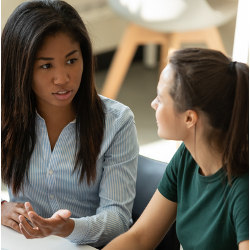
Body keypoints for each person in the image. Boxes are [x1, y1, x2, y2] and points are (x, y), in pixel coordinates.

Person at [1, 0, 139, 247]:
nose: (63, 78)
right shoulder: (6, 114)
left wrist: (68, 228)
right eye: (46, 66)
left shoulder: (117, 122)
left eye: (72, 61)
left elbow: (118, 221)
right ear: (20, 68)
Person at [103, 48, 249, 250]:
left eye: (161, 99)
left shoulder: (243, 190)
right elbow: (140, 237)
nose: (153, 104)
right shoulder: (187, 157)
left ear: (189, 118)